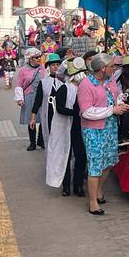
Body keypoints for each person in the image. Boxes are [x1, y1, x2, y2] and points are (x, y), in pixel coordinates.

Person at [77, 53, 129, 215]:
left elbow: (114, 98)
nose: (115, 69)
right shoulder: (86, 85)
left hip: (110, 128)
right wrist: (112, 110)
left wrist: (120, 104)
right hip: (93, 131)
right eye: (112, 66)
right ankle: (92, 202)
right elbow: (86, 112)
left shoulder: (110, 81)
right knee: (95, 166)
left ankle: (99, 191)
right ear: (102, 68)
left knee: (108, 162)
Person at [49, 58, 88, 196]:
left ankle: (78, 186)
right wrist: (77, 113)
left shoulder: (84, 89)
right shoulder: (64, 89)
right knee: (64, 155)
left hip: (79, 128)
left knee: (81, 156)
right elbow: (60, 109)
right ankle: (66, 186)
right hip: (65, 127)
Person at [14, 48, 45, 151]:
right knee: (31, 119)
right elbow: (19, 85)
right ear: (30, 59)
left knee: (42, 119)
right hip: (29, 96)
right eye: (36, 57)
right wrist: (19, 99)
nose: (39, 59)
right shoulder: (23, 70)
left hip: (42, 96)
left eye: (39, 57)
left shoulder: (43, 69)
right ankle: (32, 142)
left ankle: (41, 140)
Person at [29, 53, 62, 143]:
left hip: (62, 115)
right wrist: (33, 118)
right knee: (50, 137)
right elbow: (38, 101)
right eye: (53, 65)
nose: (56, 67)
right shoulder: (43, 82)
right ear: (49, 67)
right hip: (49, 114)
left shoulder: (65, 81)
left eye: (58, 64)